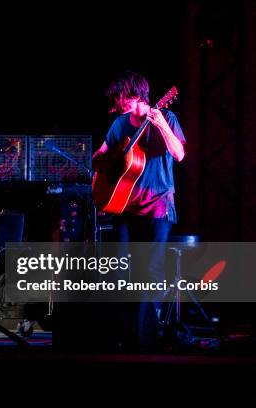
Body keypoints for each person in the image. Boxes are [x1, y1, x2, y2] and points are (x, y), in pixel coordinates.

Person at [93, 71, 186, 351]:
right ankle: (121, 336)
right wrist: (106, 161)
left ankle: (144, 338)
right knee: (119, 271)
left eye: (118, 97)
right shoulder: (120, 124)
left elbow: (179, 154)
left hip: (158, 204)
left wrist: (161, 125)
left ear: (132, 95)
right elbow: (100, 155)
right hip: (125, 205)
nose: (115, 103)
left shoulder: (166, 118)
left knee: (150, 271)